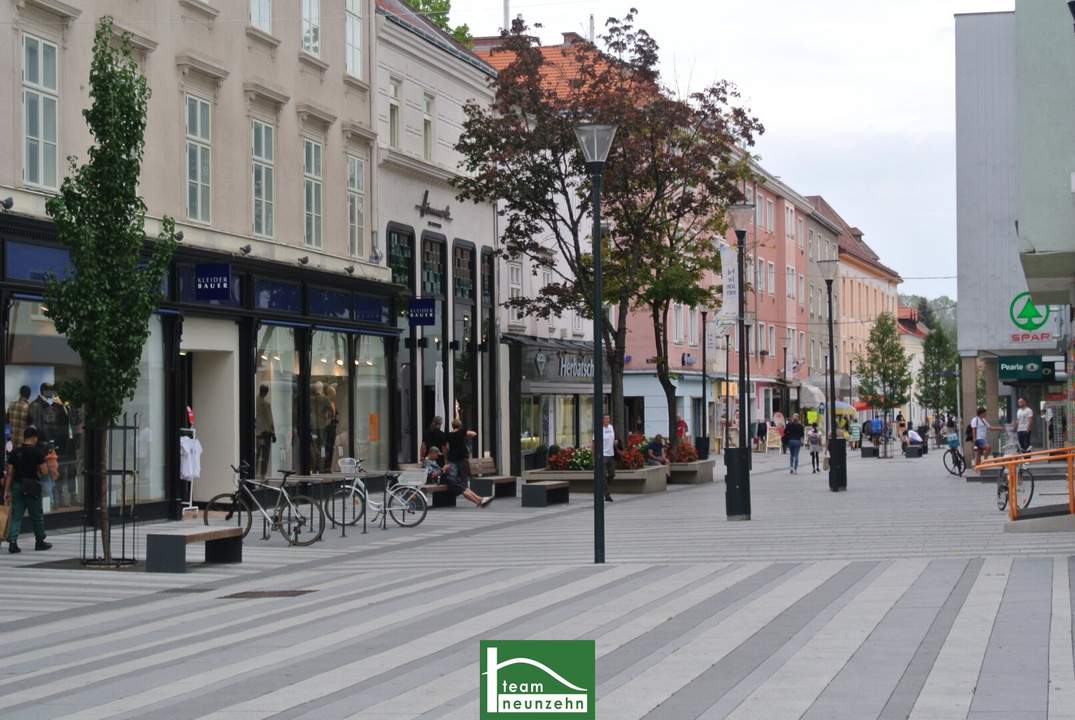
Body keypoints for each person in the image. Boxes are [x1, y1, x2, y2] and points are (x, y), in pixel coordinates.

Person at [5, 427, 55, 553]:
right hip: (32, 486)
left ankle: (12, 542)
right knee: (37, 516)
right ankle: (39, 541)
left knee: (16, 516)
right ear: (34, 438)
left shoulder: (15, 452)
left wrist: (7, 490)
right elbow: (44, 472)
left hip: (17, 485)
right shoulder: (38, 452)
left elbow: (10, 473)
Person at [425, 447, 489, 507]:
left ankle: (479, 499)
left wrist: (445, 468)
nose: (437, 457)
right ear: (432, 453)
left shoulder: (433, 460)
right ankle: (478, 502)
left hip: (444, 478)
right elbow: (431, 475)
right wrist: (442, 469)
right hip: (438, 480)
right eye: (437, 454)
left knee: (462, 485)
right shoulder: (427, 462)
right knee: (460, 488)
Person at [446, 418, 477, 486]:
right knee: (463, 476)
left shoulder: (449, 435)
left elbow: (447, 447)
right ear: (460, 426)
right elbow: (474, 434)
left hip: (452, 458)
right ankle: (465, 490)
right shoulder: (461, 432)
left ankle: (456, 490)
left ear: (452, 426)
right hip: (461, 458)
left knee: (453, 477)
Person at [255, 384, 275, 479]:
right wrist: (273, 433)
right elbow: (270, 421)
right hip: (266, 433)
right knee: (265, 456)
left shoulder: (254, 402)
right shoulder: (266, 405)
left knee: (257, 454)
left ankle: (254, 473)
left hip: (257, 433)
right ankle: (262, 475)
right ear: (266, 392)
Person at [600, 414, 615, 502]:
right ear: (602, 420)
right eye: (606, 419)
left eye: (608, 418)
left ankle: (603, 487)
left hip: (611, 454)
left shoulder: (611, 427)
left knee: (612, 474)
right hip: (603, 455)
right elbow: (594, 442)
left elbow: (612, 439)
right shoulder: (599, 428)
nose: (607, 420)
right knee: (603, 476)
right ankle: (607, 495)